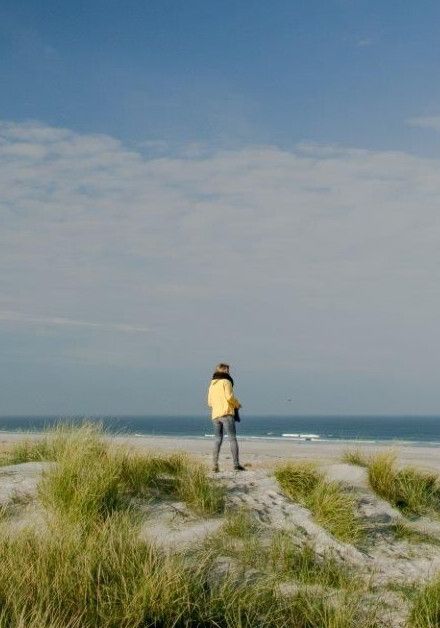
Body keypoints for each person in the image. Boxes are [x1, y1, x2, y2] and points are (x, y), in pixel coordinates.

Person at [207, 363, 245, 472]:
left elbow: (209, 402)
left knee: (217, 439)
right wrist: (237, 404)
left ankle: (215, 465)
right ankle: (236, 464)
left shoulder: (212, 384)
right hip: (226, 413)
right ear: (223, 370)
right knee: (232, 439)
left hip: (215, 415)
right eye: (227, 370)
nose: (229, 372)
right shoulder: (226, 381)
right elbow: (229, 397)